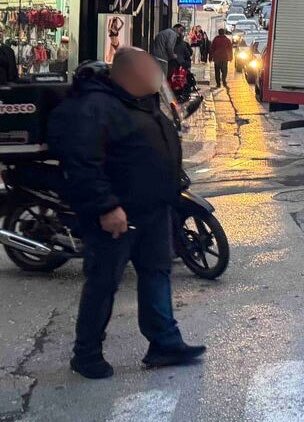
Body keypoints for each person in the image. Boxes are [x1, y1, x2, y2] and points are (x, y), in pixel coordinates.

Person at [47, 48, 206, 379]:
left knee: (156, 274)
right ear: (126, 75)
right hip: (117, 215)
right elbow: (83, 163)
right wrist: (106, 207)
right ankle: (86, 354)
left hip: (153, 210)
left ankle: (164, 343)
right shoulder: (96, 106)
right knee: (103, 283)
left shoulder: (141, 101)